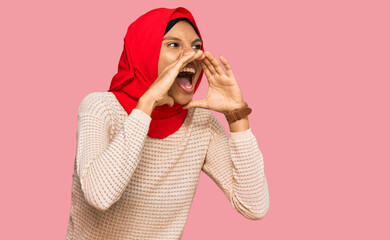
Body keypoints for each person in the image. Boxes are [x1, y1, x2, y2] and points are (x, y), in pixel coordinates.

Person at [65, 7, 269, 240]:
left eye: (196, 46)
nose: (191, 55)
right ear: (145, 51)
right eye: (174, 45)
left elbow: (254, 206)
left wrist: (237, 114)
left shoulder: (200, 123)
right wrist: (148, 103)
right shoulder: (100, 108)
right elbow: (100, 196)